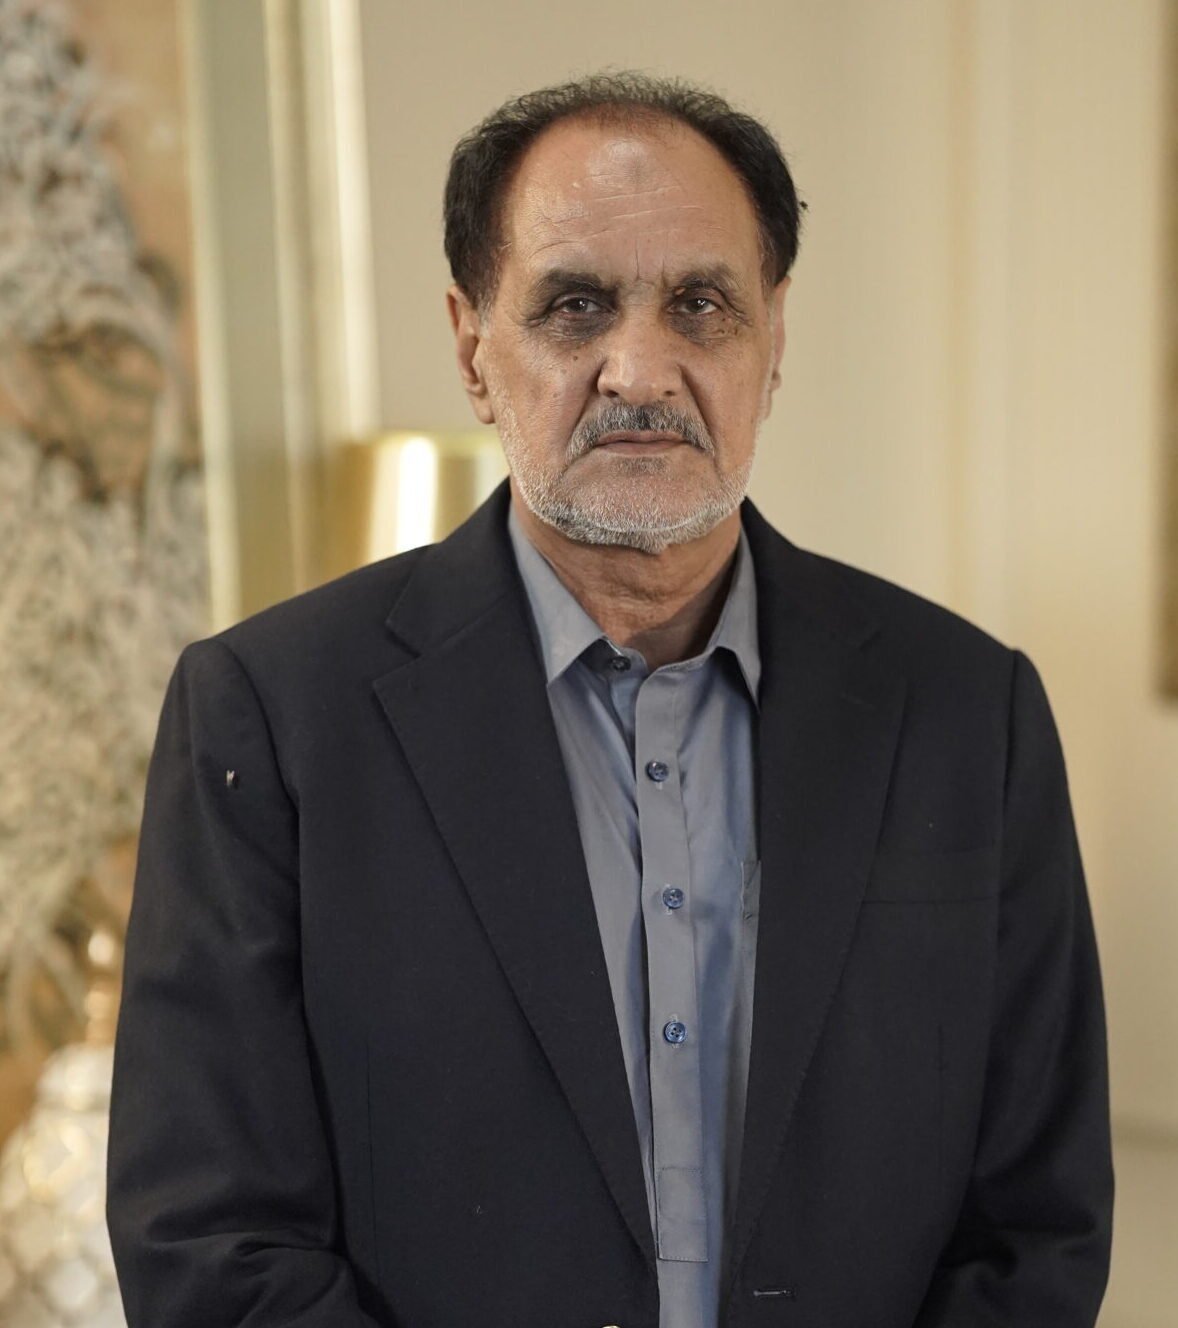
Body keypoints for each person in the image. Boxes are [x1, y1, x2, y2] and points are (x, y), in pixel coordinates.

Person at [106, 72, 1113, 1328]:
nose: (639, 368)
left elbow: (1036, 1228)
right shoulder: (270, 716)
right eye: (574, 305)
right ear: (473, 348)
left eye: (699, 304)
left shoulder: (967, 713)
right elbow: (210, 1241)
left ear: (772, 340)